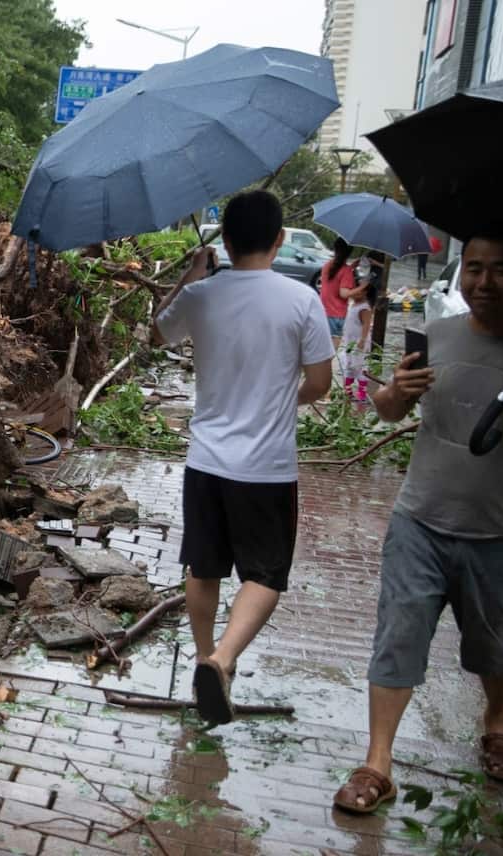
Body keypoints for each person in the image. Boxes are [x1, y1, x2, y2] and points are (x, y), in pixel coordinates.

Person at [333, 227, 503, 814]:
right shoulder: (437, 335)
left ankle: (497, 725)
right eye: (473, 267)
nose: (483, 281)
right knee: (397, 635)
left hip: (498, 532)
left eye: (499, 268)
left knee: (495, 645)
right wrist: (396, 390)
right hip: (418, 521)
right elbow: (387, 409)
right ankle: (378, 763)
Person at [152, 190, 334, 725]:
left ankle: (203, 656)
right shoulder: (301, 301)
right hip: (266, 468)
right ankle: (224, 660)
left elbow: (155, 331)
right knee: (265, 572)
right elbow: (320, 383)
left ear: (225, 241)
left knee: (203, 566)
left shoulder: (201, 295)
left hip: (205, 461)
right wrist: (284, 397)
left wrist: (191, 273)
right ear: (279, 240)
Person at [339, 278, 376, 402]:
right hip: (350, 342)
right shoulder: (353, 304)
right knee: (349, 364)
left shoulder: (364, 308)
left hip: (359, 342)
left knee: (360, 366)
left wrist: (362, 340)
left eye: (356, 290)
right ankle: (347, 390)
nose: (353, 292)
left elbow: (366, 325)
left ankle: (362, 393)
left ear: (364, 292)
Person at [319, 237, 355, 348]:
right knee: (332, 349)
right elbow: (343, 293)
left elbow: (335, 278)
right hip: (336, 314)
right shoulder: (346, 270)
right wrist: (362, 287)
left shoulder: (327, 265)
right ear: (349, 253)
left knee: (322, 346)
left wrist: (352, 266)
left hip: (322, 311)